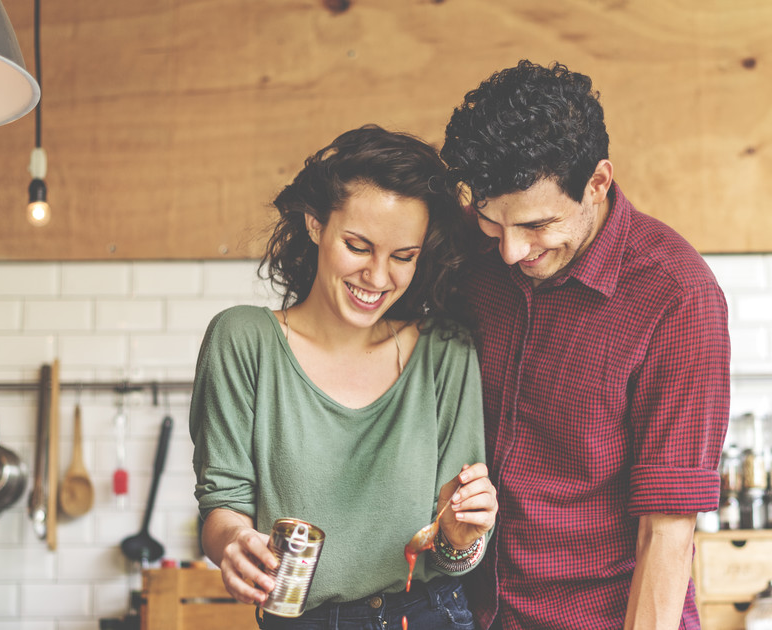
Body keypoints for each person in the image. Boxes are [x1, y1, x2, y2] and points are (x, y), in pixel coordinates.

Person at [439, 60, 731, 629]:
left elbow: (667, 531)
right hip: (478, 614)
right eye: (494, 223)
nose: (511, 252)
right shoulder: (474, 257)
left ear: (597, 183)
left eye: (537, 225)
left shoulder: (676, 295)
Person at [189, 124, 498, 629]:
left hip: (427, 614)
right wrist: (234, 542)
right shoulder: (243, 340)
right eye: (358, 246)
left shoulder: (445, 351)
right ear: (315, 224)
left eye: (403, 257)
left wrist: (462, 538)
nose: (377, 277)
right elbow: (223, 503)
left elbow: (452, 552)